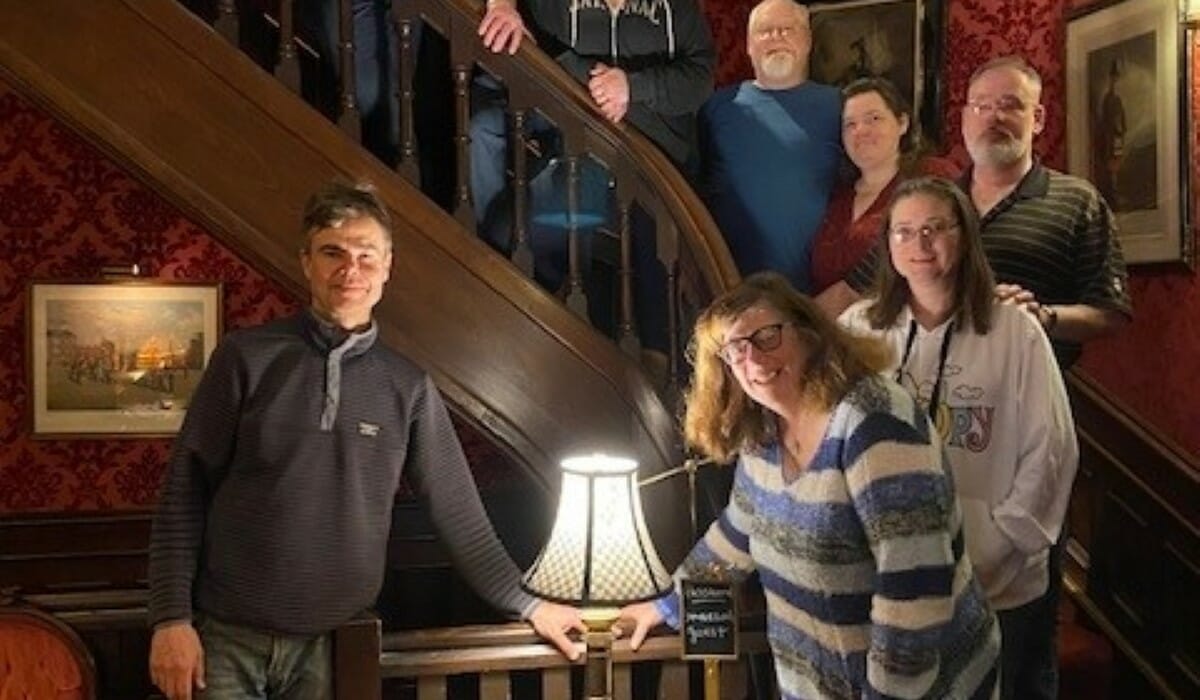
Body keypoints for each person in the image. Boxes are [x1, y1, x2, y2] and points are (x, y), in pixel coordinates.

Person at [146, 181, 584, 700]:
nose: (349, 271)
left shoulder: (407, 386)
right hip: (223, 643)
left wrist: (531, 605)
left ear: (387, 267)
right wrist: (170, 618)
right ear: (306, 261)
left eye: (365, 256)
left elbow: (459, 513)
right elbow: (183, 493)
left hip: (336, 648)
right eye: (332, 253)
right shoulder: (245, 358)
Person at [617, 272, 1001, 699]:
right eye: (736, 350)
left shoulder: (874, 422)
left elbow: (915, 591)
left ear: (808, 333)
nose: (755, 361)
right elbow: (738, 534)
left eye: (767, 337)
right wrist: (667, 606)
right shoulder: (763, 432)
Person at [839, 176, 1079, 700]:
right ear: (888, 245)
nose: (919, 245)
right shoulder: (857, 330)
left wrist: (1001, 539)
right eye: (903, 232)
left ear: (964, 236)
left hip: (999, 580)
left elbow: (1052, 450)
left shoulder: (1016, 330)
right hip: (890, 579)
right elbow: (830, 445)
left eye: (934, 229)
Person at [821, 55, 1132, 372]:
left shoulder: (1078, 201)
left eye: (1009, 105)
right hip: (929, 388)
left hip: (1028, 386)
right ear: (965, 118)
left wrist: (1043, 317)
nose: (993, 117)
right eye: (981, 106)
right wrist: (783, 324)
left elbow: (1110, 314)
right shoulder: (931, 204)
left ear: (1037, 118)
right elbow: (853, 290)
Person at [471, 0, 715, 352]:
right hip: (574, 120)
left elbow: (700, 77)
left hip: (649, 145)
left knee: (632, 225)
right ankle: (500, 278)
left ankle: (646, 350)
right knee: (485, 130)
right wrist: (502, 4)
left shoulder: (677, 8)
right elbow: (539, 46)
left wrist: (633, 88)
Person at [699, 0, 842, 293]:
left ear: (808, 41)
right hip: (731, 288)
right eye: (765, 31)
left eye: (787, 29)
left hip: (820, 296)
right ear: (749, 45)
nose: (777, 37)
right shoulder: (717, 108)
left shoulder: (840, 106)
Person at [809, 76, 958, 294]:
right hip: (834, 326)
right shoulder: (838, 198)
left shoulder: (931, 176)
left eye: (873, 119)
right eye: (850, 124)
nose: (860, 130)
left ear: (902, 123)